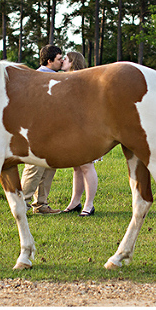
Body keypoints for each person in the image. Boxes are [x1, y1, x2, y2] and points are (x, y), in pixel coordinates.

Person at [20, 45, 63, 214]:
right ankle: (22, 202)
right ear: (49, 60)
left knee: (49, 166)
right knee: (34, 167)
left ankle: (41, 204)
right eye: (59, 59)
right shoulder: (40, 77)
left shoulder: (51, 76)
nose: (62, 61)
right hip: (38, 130)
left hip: (52, 130)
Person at [60, 51, 99, 217]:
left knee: (86, 165)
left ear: (73, 62)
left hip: (84, 128)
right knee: (76, 166)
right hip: (72, 127)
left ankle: (89, 204)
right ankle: (75, 201)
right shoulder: (68, 78)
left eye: (66, 59)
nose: (62, 61)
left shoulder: (81, 78)